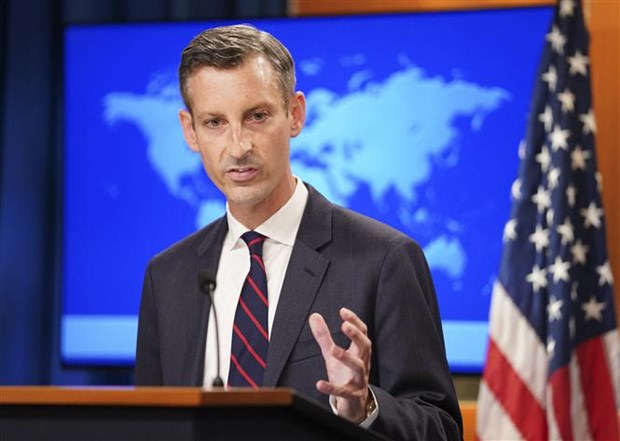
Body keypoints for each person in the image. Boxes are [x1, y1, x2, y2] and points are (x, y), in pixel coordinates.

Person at [135, 24, 463, 441]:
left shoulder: (384, 260)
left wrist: (365, 407)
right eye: (215, 122)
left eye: (257, 116)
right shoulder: (167, 276)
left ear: (295, 114)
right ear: (189, 130)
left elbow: (441, 429)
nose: (238, 146)